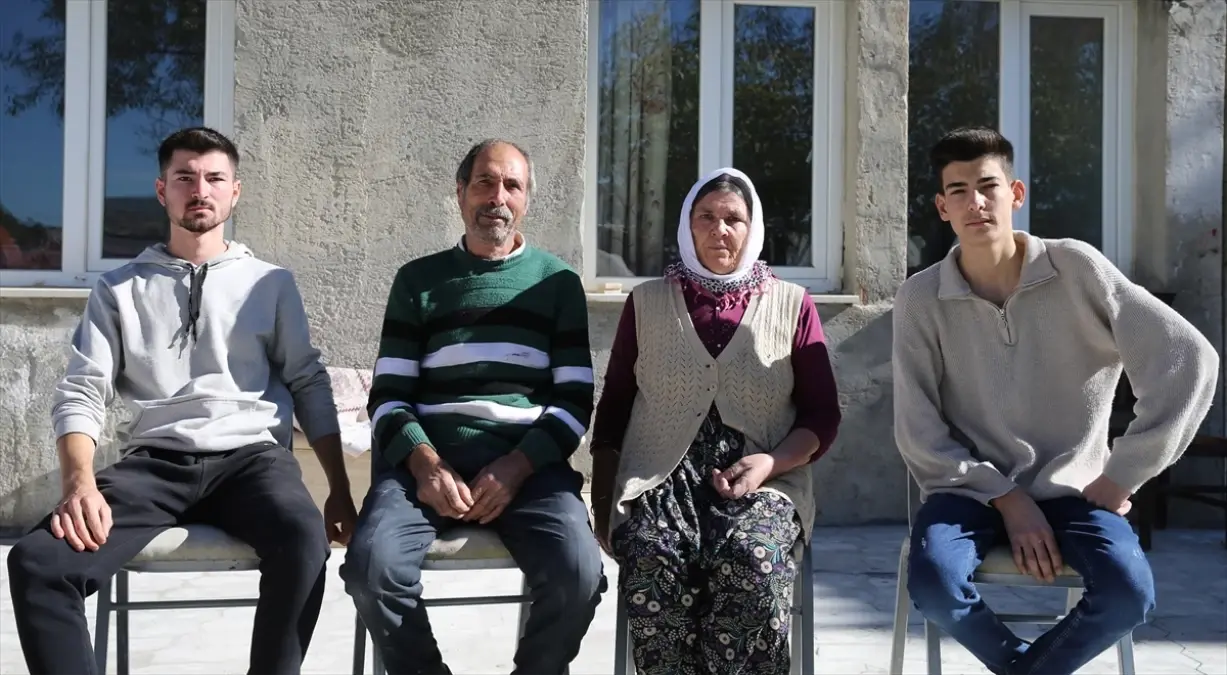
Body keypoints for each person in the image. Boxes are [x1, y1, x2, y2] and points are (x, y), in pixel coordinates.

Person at [6, 126, 358, 675]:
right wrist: (79, 484)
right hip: (155, 465)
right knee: (37, 562)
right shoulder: (118, 288)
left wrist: (338, 488)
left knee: (302, 538)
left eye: (215, 178)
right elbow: (82, 389)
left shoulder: (271, 283)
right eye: (184, 178)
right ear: (161, 190)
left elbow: (308, 381)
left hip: (252, 460)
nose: (200, 190)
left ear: (235, 191)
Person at [893, 126, 1219, 675]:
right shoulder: (920, 298)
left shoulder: (1077, 268)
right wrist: (1007, 498)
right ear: (942, 208)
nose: (975, 203)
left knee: (1129, 593)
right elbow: (918, 428)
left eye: (988, 186)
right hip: (968, 493)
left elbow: (1189, 359)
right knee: (934, 584)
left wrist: (1124, 474)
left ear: (1015, 194)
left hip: (1076, 489)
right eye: (958, 191)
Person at [341, 139, 606, 675]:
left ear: (526, 199)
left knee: (579, 573)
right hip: (425, 467)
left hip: (528, 469)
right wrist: (425, 465)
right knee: (371, 568)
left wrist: (518, 465)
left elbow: (576, 399)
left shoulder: (557, 283)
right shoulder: (418, 281)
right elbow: (388, 396)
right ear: (460, 192)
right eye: (485, 182)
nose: (497, 197)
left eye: (512, 185)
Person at [590, 167, 843, 675]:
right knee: (652, 556)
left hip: (765, 482)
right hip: (660, 482)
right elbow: (614, 406)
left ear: (753, 228)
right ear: (687, 225)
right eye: (705, 217)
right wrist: (601, 504)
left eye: (733, 219)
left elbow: (822, 415)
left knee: (753, 560)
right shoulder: (646, 303)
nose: (719, 229)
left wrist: (770, 463)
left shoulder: (793, 305)